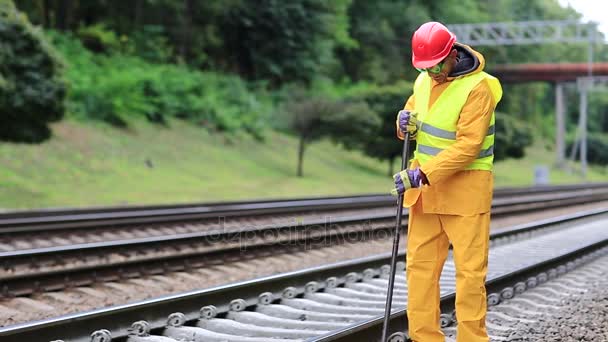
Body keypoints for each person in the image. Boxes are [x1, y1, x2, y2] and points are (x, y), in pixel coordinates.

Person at [392, 21, 503, 342]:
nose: (433, 72)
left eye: (437, 64)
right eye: (426, 67)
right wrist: (403, 122)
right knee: (420, 272)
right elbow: (414, 116)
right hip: (426, 194)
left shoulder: (478, 88)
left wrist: (421, 174)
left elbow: (469, 145)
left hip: (465, 193)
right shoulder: (424, 78)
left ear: (452, 53)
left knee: (469, 276)